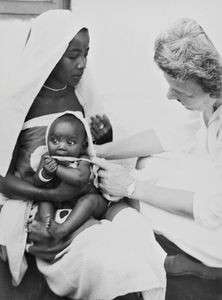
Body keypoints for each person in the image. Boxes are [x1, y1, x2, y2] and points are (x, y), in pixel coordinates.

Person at [0, 9, 166, 300]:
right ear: (49, 53)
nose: (82, 64)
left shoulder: (81, 93)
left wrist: (103, 137)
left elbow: (91, 152)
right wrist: (51, 196)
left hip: (86, 194)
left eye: (86, 53)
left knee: (136, 234)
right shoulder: (18, 102)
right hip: (43, 199)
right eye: (73, 55)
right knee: (101, 258)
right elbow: (2, 178)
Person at [93, 18, 222, 270]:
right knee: (149, 163)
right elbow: (167, 136)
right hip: (213, 189)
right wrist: (100, 150)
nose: (169, 95)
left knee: (140, 200)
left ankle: (200, 269)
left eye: (180, 92)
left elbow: (213, 207)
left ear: (211, 87)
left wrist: (131, 187)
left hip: (217, 214)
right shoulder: (209, 102)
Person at [29, 111, 106, 240]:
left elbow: (80, 178)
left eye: (70, 143)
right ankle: (47, 225)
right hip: (59, 201)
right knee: (44, 199)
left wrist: (56, 169)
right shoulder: (47, 157)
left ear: (83, 147)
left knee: (91, 200)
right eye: (54, 140)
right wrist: (45, 173)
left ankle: (62, 229)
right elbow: (37, 182)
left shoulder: (83, 160)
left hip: (84, 201)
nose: (61, 146)